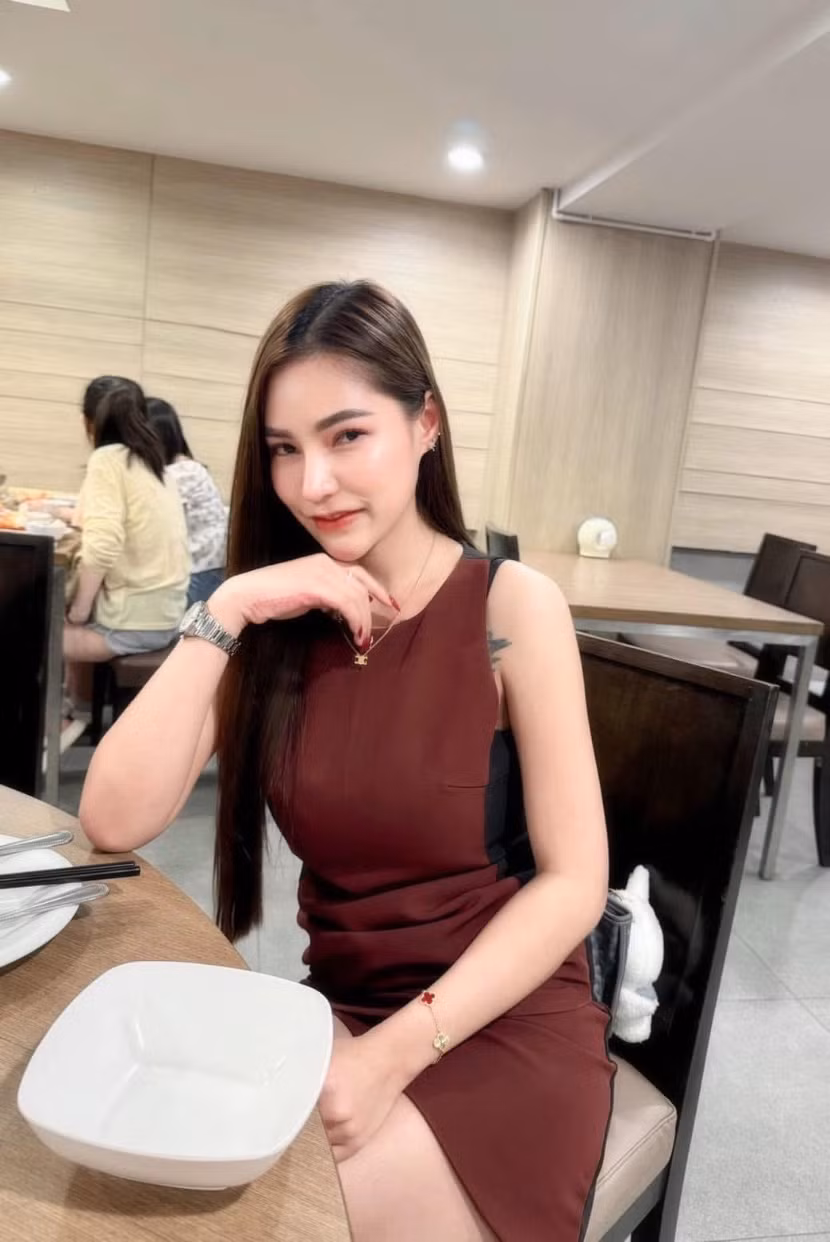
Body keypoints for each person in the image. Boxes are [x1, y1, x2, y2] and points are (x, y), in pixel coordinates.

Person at [79, 282, 613, 1241]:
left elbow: (576, 883)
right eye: (285, 450)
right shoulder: (282, 618)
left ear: (425, 424)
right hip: (342, 1009)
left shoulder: (511, 608)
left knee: (229, 1221)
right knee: (140, 1172)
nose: (312, 484)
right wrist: (231, 604)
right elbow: (112, 819)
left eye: (347, 436)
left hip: (500, 1023)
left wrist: (392, 1056)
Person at [63, 377, 189, 670]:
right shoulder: (155, 464)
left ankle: (70, 702)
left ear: (89, 422)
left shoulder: (107, 460)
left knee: (27, 630)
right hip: (168, 615)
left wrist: (78, 613)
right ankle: (80, 699)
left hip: (133, 623)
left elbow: (102, 545)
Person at [146, 397, 227, 607]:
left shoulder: (182, 473)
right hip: (203, 569)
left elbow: (146, 520)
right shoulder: (185, 468)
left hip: (200, 573)